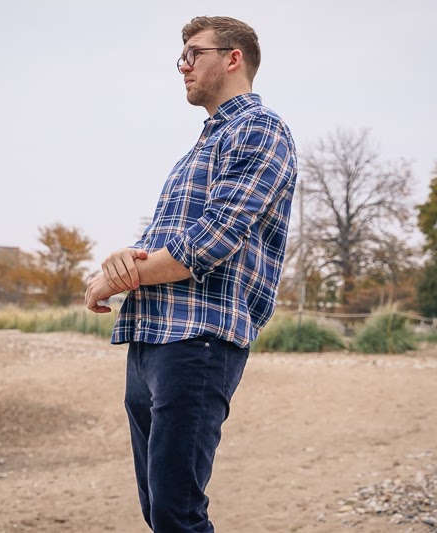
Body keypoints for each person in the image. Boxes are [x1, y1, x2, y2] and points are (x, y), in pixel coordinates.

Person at [85, 15, 297, 533]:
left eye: (192, 54)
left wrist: (118, 277)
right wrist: (122, 261)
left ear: (232, 58)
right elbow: (165, 242)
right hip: (151, 338)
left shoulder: (260, 129)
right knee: (161, 512)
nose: (182, 67)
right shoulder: (198, 149)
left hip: (197, 341)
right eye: (180, 57)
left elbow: (209, 242)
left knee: (177, 513)